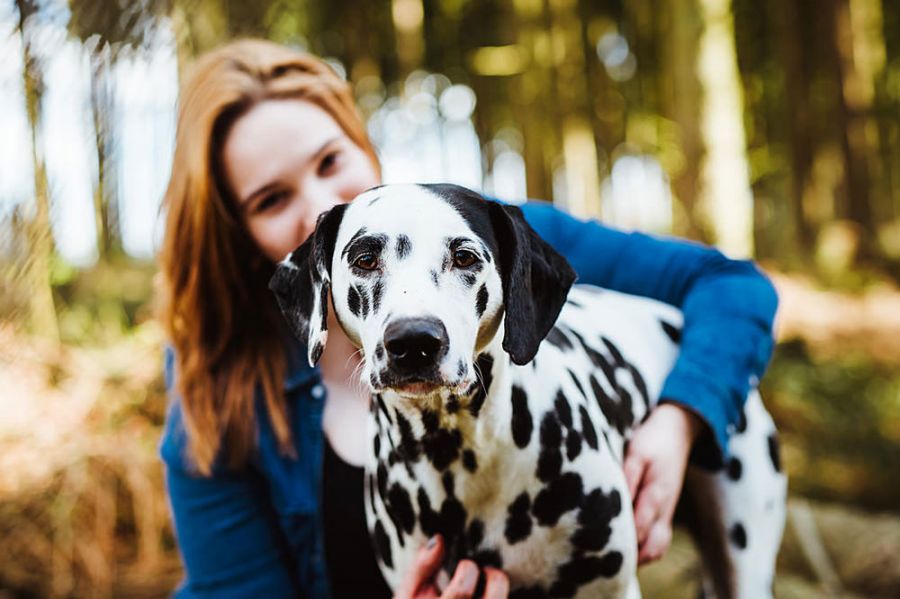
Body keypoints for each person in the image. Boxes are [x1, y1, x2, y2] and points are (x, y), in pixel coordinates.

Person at [157, 39, 778, 599]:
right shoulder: (212, 384)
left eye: (329, 162)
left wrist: (678, 421)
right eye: (271, 199)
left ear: (362, 141)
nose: (326, 204)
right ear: (234, 233)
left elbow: (731, 286)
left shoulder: (499, 237)